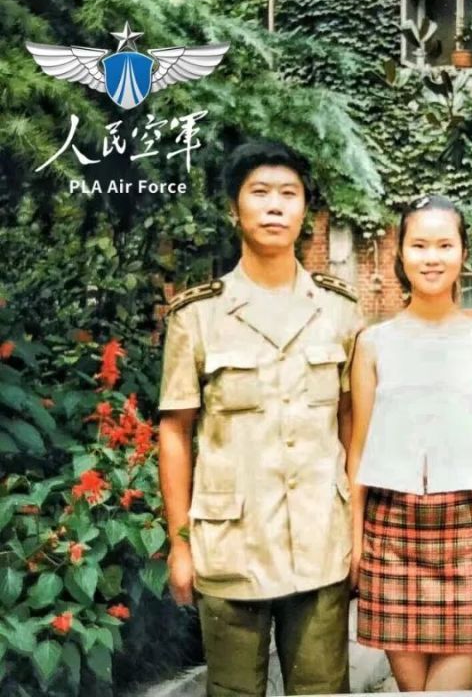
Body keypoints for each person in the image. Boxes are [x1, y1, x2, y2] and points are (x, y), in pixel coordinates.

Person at [158, 140, 364, 695]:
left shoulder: (339, 311)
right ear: (234, 209)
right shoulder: (198, 316)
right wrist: (180, 544)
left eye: (288, 194)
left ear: (305, 212)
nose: (275, 206)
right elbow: (175, 431)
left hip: (321, 540)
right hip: (231, 543)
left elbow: (352, 425)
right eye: (260, 192)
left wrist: (357, 533)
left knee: (323, 690)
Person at [348, 195, 472, 692]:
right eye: (418, 245)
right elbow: (359, 450)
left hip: (468, 534)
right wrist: (354, 541)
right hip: (391, 534)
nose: (431, 257)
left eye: (444, 245)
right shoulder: (373, 344)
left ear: (463, 253)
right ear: (401, 253)